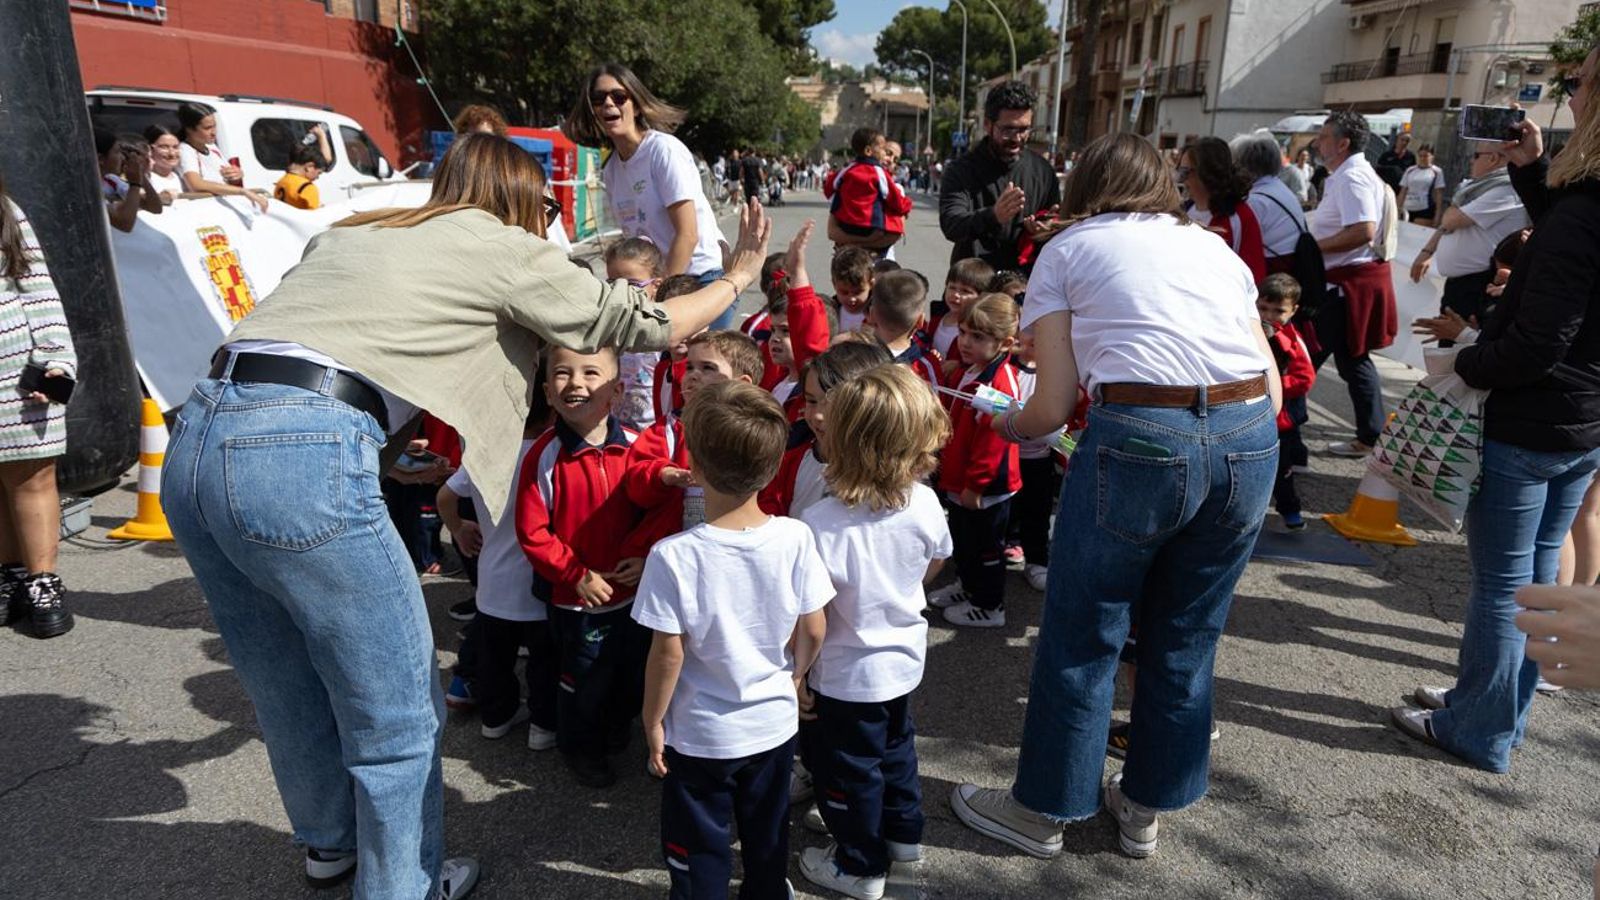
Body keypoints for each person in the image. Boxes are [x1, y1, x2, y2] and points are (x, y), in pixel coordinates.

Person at [159, 133, 771, 900]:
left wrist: (379, 451)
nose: (548, 223)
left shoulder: (360, 229)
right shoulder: (500, 244)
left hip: (197, 439)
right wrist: (739, 274)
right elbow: (645, 324)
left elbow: (336, 347)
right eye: (544, 207)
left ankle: (331, 843)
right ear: (521, 203)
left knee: (283, 680)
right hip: (301, 451)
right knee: (398, 713)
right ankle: (405, 885)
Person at [950, 132, 1281, 861]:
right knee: (1188, 632)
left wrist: (1004, 421)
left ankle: (1042, 810)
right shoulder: (1213, 248)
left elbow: (1049, 406)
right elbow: (1271, 380)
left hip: (1141, 432)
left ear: (1084, 187)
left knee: (1085, 628)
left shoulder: (1068, 250)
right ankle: (1145, 804)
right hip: (1250, 434)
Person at [1390, 42, 1600, 774]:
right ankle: (1495, 714)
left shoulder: (1582, 215)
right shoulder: (1584, 205)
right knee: (1534, 582)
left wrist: (1464, 361)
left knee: (1504, 588)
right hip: (1578, 422)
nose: (1570, 91)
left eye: (1580, 81)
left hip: (1534, 419)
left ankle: (1478, 728)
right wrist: (1533, 171)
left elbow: (1536, 344)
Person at [633, 380, 832, 900]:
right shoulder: (796, 536)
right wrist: (795, 676)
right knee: (767, 831)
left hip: (701, 734)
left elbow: (667, 654)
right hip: (772, 724)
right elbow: (814, 627)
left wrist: (652, 719)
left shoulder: (673, 556)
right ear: (773, 465)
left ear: (694, 466)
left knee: (699, 843)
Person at [795, 364, 951, 898]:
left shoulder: (820, 524)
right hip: (902, 661)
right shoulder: (925, 502)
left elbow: (813, 617)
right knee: (897, 751)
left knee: (848, 773)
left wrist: (798, 673)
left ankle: (859, 865)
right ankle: (905, 839)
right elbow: (936, 561)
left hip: (845, 675)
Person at [515, 346, 655, 789]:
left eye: (591, 373)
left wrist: (645, 554)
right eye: (563, 373)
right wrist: (576, 575)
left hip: (632, 595)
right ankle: (580, 747)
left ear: (617, 391)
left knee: (630, 672)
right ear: (547, 393)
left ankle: (615, 728)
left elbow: (657, 511)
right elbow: (533, 532)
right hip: (577, 602)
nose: (576, 382)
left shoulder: (637, 445)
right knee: (584, 679)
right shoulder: (544, 455)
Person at [564, 64, 731, 325]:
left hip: (699, 280)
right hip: (654, 288)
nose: (608, 103)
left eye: (618, 96)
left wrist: (659, 299)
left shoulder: (663, 151)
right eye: (598, 99)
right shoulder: (611, 170)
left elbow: (687, 234)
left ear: (637, 105)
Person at [437, 408, 557, 751]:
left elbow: (445, 496)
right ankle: (543, 726)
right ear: (550, 411)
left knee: (495, 659)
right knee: (544, 661)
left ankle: (495, 718)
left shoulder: (487, 453)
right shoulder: (554, 451)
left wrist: (457, 528)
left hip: (493, 581)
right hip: (540, 581)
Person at [0, 173, 79, 640]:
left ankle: (43, 584)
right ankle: (10, 577)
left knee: (31, 476)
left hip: (14, 371)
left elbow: (38, 287)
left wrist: (54, 358)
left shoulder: (6, 211)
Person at [926, 293, 1022, 629]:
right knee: (964, 543)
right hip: (960, 479)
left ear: (1005, 343)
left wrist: (976, 486)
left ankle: (989, 605)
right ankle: (968, 586)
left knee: (986, 549)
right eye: (964, 332)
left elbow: (993, 443)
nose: (965, 342)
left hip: (984, 488)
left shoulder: (1000, 383)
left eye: (977, 337)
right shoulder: (972, 369)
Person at [1309, 110, 1397, 458]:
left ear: (1343, 143)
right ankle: (1371, 435)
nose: (1318, 143)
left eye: (1324, 137)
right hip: (1345, 283)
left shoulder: (1353, 177)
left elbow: (1363, 231)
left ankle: (1282, 432)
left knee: (1307, 356)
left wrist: (1311, 249)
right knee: (1352, 360)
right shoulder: (1349, 175)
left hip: (1344, 288)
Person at [939, 81, 1062, 274]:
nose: (1017, 138)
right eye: (1008, 130)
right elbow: (951, 225)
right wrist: (993, 216)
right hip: (974, 283)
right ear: (988, 125)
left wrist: (1047, 226)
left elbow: (1056, 222)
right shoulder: (961, 170)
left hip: (1024, 281)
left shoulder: (1043, 171)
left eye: (1024, 129)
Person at [1409, 146, 1529, 333]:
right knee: (1448, 342)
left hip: (1480, 286)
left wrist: (1453, 209)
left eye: (1476, 155)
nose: (1471, 161)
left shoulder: (1506, 189)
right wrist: (1428, 251)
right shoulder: (1478, 188)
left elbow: (1451, 220)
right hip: (1461, 285)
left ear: (1493, 158)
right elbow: (1448, 223)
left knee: (1462, 343)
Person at [1259, 274, 1316, 530]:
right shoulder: (1248, 331)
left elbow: (1305, 378)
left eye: (1279, 311)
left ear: (1293, 310)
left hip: (1281, 419)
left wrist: (1272, 385)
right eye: (1263, 308)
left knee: (1282, 470)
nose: (1270, 315)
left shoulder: (1292, 340)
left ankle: (1289, 509)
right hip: (1251, 414)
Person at [1179, 137, 1266, 283]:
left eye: (1186, 172)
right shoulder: (1183, 212)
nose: (1182, 179)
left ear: (1206, 174)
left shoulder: (1239, 216)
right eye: (1181, 171)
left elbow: (1253, 276)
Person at [606, 237, 667, 430]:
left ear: (656, 285)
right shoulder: (608, 328)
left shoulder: (664, 329)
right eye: (613, 283)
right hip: (616, 427)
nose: (622, 292)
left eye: (632, 284)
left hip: (655, 429)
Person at [1231, 130, 1311, 274]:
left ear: (1245, 166)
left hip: (1274, 273)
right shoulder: (1277, 187)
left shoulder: (1255, 201)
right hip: (1293, 268)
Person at [825, 128, 912, 254]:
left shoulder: (848, 170)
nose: (890, 160)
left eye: (896, 159)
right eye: (886, 151)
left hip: (847, 229)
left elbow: (830, 185)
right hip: (872, 229)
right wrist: (907, 206)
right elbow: (896, 200)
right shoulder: (879, 173)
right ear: (868, 151)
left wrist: (836, 200)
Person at [175, 102, 269, 213]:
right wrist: (242, 191)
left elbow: (227, 181)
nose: (213, 132)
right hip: (204, 212)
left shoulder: (212, 147)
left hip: (223, 210)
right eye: (207, 128)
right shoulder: (185, 150)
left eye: (214, 126)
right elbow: (196, 184)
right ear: (189, 129)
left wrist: (236, 176)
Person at [868, 270, 941, 389]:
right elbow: (937, 399)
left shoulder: (856, 358)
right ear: (920, 321)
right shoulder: (926, 366)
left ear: (871, 315)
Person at [96, 129, 163, 233]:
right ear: (101, 159)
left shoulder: (111, 180)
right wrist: (135, 184)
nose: (122, 158)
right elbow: (125, 224)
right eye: (117, 152)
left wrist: (140, 174)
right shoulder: (88, 188)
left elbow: (155, 208)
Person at [829, 247, 875, 334]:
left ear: (871, 284)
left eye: (858, 292)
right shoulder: (831, 311)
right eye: (844, 292)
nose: (851, 299)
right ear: (834, 284)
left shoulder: (878, 313)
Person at [1397, 144, 1445, 225]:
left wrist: (1437, 215)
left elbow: (1439, 195)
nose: (1422, 159)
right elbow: (1403, 191)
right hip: (1406, 209)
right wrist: (1398, 209)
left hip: (1424, 210)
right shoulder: (1410, 170)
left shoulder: (1437, 172)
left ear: (1432, 157)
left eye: (1426, 156)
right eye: (1420, 156)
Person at [144, 124, 185, 204]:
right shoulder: (144, 179)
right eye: (164, 147)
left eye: (175, 147)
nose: (172, 153)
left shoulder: (180, 177)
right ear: (150, 149)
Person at [273, 145, 324, 210]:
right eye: (318, 173)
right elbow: (314, 214)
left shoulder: (282, 180)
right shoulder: (307, 187)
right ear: (309, 167)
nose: (317, 177)